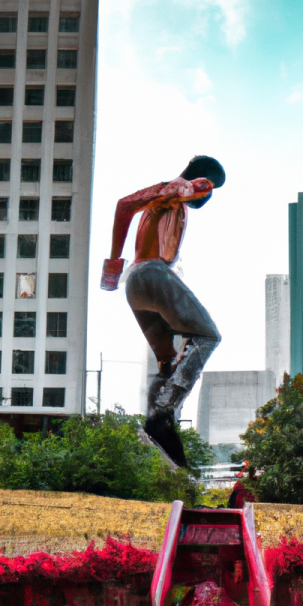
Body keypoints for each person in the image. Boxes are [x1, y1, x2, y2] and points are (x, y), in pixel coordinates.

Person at [101, 156, 226, 466]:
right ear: (203, 180)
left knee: (167, 361)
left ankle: (155, 433)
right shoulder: (176, 190)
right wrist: (192, 187)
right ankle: (164, 411)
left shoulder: (163, 200)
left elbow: (124, 208)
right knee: (208, 335)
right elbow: (135, 201)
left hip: (135, 285)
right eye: (211, 188)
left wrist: (115, 265)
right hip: (154, 275)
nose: (209, 195)